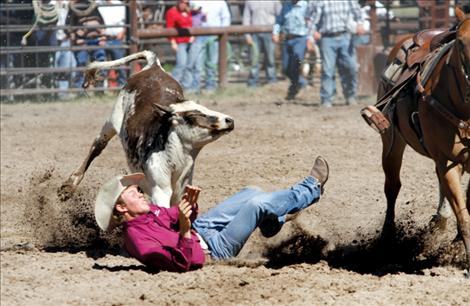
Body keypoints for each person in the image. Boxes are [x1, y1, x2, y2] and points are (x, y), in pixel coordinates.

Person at [94, 156, 329, 272]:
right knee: (256, 205)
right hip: (213, 251)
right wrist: (185, 229)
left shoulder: (148, 213)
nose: (141, 194)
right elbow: (188, 263)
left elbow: (177, 215)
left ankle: (271, 222)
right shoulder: (141, 243)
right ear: (122, 208)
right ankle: (310, 189)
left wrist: (189, 205)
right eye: (134, 194)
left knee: (252, 192)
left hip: (201, 231)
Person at [308, 1, 365, 107]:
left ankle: (351, 96)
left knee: (351, 67)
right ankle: (326, 99)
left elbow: (358, 12)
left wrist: (360, 24)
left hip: (345, 36)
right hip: (327, 38)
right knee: (328, 69)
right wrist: (313, 32)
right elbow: (313, 18)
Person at [188, 0, 231, 92]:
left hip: (214, 34)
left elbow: (225, 18)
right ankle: (195, 86)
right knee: (197, 62)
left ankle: (210, 86)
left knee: (211, 62)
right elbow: (189, 9)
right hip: (198, 34)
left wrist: (222, 33)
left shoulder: (220, 2)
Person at [273, 0, 310, 101]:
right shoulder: (286, 5)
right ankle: (299, 83)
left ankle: (294, 88)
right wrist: (275, 33)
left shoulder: (305, 5)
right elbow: (279, 21)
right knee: (285, 68)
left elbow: (309, 22)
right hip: (287, 38)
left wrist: (309, 39)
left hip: (300, 38)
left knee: (295, 62)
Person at [66, 0, 106, 89]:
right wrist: (75, 37)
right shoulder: (73, 8)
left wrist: (102, 37)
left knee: (100, 61)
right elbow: (68, 27)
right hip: (81, 41)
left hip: (95, 39)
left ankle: (100, 87)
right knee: (82, 63)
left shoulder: (93, 6)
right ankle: (79, 88)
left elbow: (102, 23)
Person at [243, 0, 281, 87]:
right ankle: (253, 82)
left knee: (270, 59)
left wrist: (276, 32)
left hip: (270, 32)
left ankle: (271, 81)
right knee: (254, 59)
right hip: (254, 32)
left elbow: (279, 17)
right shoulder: (249, 1)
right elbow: (246, 18)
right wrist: (247, 35)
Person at [98, 0, 127, 88]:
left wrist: (123, 32)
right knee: (101, 64)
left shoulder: (120, 5)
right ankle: (100, 89)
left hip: (116, 39)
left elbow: (127, 22)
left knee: (120, 65)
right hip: (102, 39)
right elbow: (96, 21)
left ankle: (122, 87)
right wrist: (100, 35)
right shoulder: (98, 4)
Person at [165, 0, 193, 90]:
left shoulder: (188, 11)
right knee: (181, 64)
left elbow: (191, 25)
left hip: (190, 41)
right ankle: (173, 86)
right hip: (179, 42)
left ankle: (187, 86)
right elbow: (169, 27)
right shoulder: (172, 12)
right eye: (182, 2)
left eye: (186, 3)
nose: (184, 4)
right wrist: (173, 42)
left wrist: (192, 36)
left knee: (189, 64)